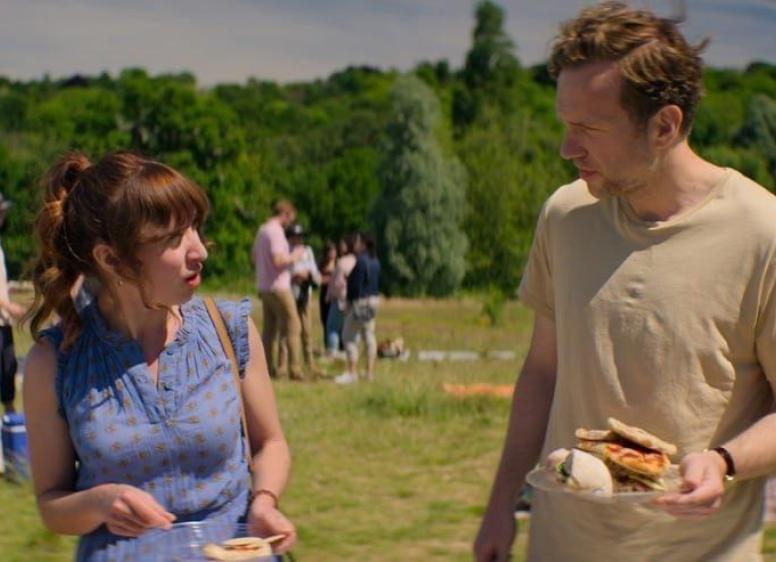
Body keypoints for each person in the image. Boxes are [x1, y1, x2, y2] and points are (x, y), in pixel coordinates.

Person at [474, 3, 776, 562]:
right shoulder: (565, 215)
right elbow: (542, 373)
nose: (567, 149)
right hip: (562, 546)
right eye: (566, 125)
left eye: (588, 128)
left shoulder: (764, 233)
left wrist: (725, 462)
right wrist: (500, 505)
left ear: (664, 126)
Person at [22, 151, 296, 562]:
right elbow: (51, 504)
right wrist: (100, 503)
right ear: (111, 259)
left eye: (195, 228)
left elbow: (271, 443)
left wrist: (265, 501)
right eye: (173, 238)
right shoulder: (54, 362)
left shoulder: (229, 330)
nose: (200, 251)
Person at [252, 200, 305, 380]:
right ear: (286, 214)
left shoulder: (262, 230)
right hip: (279, 287)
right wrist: (295, 256)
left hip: (264, 286)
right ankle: (295, 370)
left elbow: (254, 256)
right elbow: (278, 260)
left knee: (269, 330)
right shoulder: (275, 232)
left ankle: (267, 367)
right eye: (291, 218)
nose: (290, 223)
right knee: (293, 325)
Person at [336, 233, 380, 385]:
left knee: (348, 336)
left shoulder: (361, 261)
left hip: (360, 302)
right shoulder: (375, 260)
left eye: (358, 242)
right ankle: (369, 372)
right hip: (373, 300)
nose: (356, 244)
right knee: (369, 335)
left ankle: (352, 372)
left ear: (363, 244)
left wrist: (348, 304)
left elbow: (355, 285)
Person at [286, 223, 322, 378]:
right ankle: (289, 364)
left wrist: (308, 274)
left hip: (304, 292)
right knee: (290, 329)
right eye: (295, 236)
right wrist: (296, 274)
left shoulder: (307, 251)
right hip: (290, 292)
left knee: (307, 330)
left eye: (299, 236)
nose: (298, 239)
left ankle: (309, 362)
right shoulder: (286, 250)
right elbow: (286, 270)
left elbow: (313, 269)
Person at [0, 193, 25, 414]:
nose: (3, 216)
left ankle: (10, 420)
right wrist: (8, 306)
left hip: (3, 322)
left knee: (9, 370)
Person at [324, 234, 358, 358]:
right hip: (353, 300)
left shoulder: (342, 262)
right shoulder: (357, 261)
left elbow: (337, 283)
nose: (340, 246)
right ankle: (352, 352)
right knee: (351, 328)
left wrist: (330, 295)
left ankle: (333, 352)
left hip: (340, 300)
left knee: (333, 327)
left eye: (343, 244)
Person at [317, 241, 337, 351]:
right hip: (324, 295)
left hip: (334, 295)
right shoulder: (321, 265)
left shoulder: (338, 263)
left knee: (334, 321)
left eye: (334, 251)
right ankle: (327, 345)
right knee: (325, 320)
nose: (332, 253)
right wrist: (329, 279)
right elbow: (318, 280)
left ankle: (336, 346)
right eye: (330, 251)